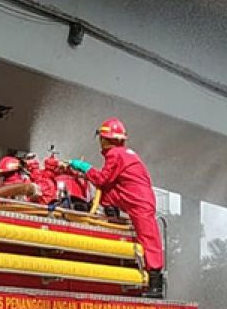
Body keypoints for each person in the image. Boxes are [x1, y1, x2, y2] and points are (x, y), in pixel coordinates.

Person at [69, 118, 165, 297]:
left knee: (149, 239)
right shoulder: (126, 154)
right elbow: (107, 183)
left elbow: (101, 179)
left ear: (105, 139)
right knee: (106, 193)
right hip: (130, 195)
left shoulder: (115, 155)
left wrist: (84, 167)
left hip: (137, 200)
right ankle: (110, 217)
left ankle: (156, 283)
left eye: (102, 138)